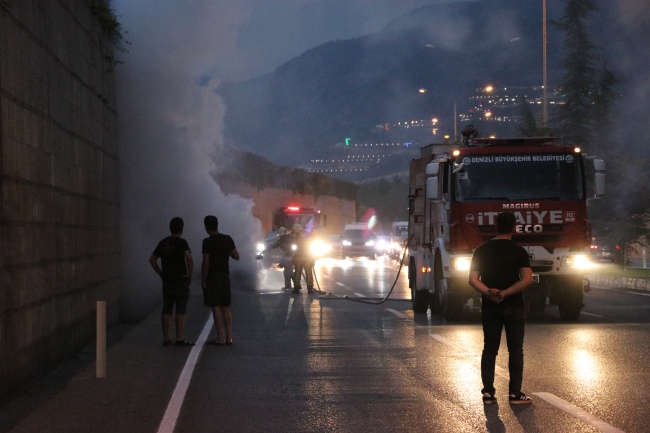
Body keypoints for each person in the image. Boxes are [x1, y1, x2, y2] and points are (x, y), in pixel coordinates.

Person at [469, 212, 533, 405]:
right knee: (515, 350)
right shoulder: (519, 251)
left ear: (496, 226)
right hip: (514, 306)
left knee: (490, 348)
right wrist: (505, 293)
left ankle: (488, 393)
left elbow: (472, 280)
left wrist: (490, 293)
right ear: (513, 227)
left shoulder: (481, 250)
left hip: (490, 306)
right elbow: (527, 279)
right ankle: (515, 394)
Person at [149, 217, 195, 346]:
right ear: (182, 229)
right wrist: (190, 275)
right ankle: (179, 338)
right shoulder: (182, 242)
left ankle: (166, 338)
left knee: (166, 310)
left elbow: (152, 259)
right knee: (180, 309)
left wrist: (161, 273)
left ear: (170, 228)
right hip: (181, 280)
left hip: (167, 281)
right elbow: (189, 257)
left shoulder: (163, 242)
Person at [201, 215, 240, 345]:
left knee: (216, 307)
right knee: (225, 306)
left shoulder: (207, 242)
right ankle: (229, 337)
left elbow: (205, 262)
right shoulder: (227, 239)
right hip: (225, 276)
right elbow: (236, 256)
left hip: (212, 277)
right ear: (217, 225)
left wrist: (203, 279)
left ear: (206, 227)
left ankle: (220, 337)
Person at [291, 223, 315, 294]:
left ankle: (296, 288)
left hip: (299, 259)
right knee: (309, 273)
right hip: (307, 258)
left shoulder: (296, 237)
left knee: (297, 273)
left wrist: (294, 258)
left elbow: (294, 249)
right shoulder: (307, 235)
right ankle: (310, 289)